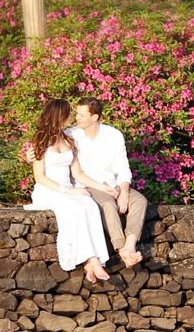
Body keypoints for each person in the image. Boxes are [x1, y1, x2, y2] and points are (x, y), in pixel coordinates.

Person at [23, 97, 113, 285]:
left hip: (67, 188)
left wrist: (102, 187)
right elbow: (40, 177)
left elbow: (78, 173)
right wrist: (67, 191)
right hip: (48, 190)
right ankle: (91, 260)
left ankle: (95, 260)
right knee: (76, 209)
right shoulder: (40, 140)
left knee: (90, 205)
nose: (70, 118)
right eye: (67, 115)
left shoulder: (68, 139)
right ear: (59, 116)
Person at [66, 99, 147, 269]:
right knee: (108, 205)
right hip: (89, 185)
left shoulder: (113, 135)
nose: (77, 118)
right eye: (77, 114)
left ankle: (129, 245)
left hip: (113, 183)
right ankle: (121, 249)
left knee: (139, 201)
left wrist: (124, 191)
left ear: (95, 117)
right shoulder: (71, 134)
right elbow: (49, 145)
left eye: (81, 115)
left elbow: (123, 167)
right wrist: (29, 155)